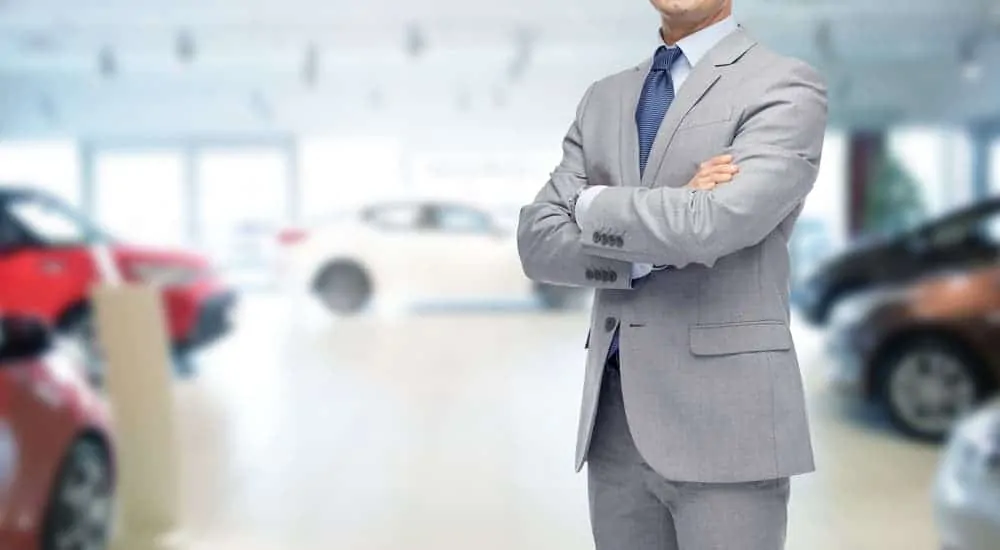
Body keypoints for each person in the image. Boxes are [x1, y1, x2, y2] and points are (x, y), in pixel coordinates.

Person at [516, 0, 828, 548]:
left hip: (727, 421)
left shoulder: (785, 85)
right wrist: (670, 209)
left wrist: (588, 204)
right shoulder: (603, 98)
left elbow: (710, 226)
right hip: (614, 423)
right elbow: (538, 244)